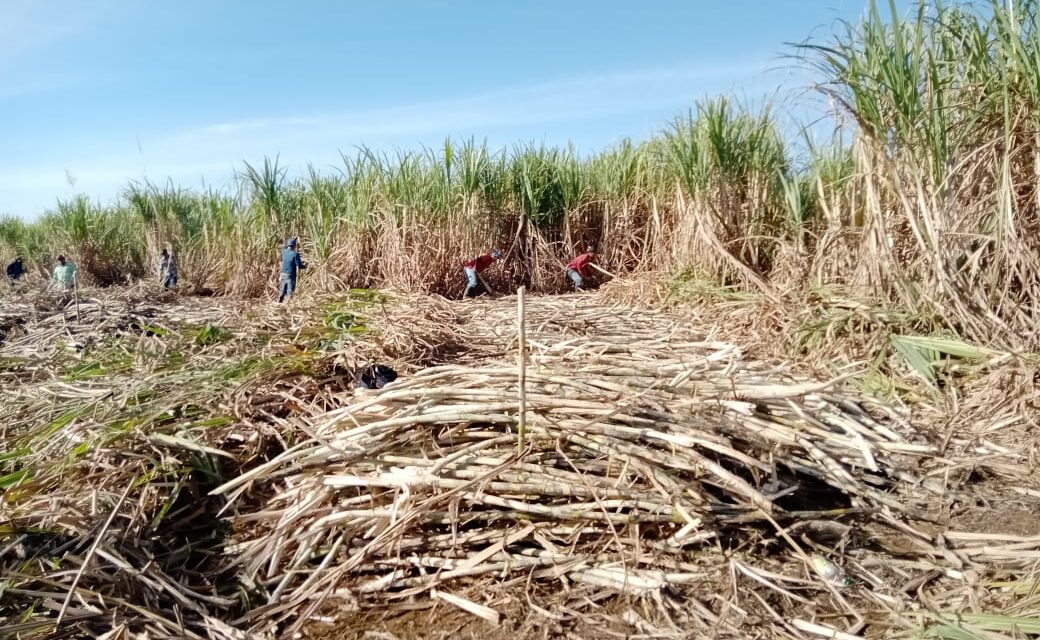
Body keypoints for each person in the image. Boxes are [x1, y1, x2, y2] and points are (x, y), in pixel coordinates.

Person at [278, 238, 307, 303]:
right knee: (290, 290)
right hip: (290, 275)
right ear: (294, 246)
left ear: (288, 245)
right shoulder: (295, 254)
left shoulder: (283, 252)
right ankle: (288, 304)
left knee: (283, 289)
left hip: (283, 274)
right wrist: (305, 266)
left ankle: (280, 302)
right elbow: (299, 266)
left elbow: (281, 261)